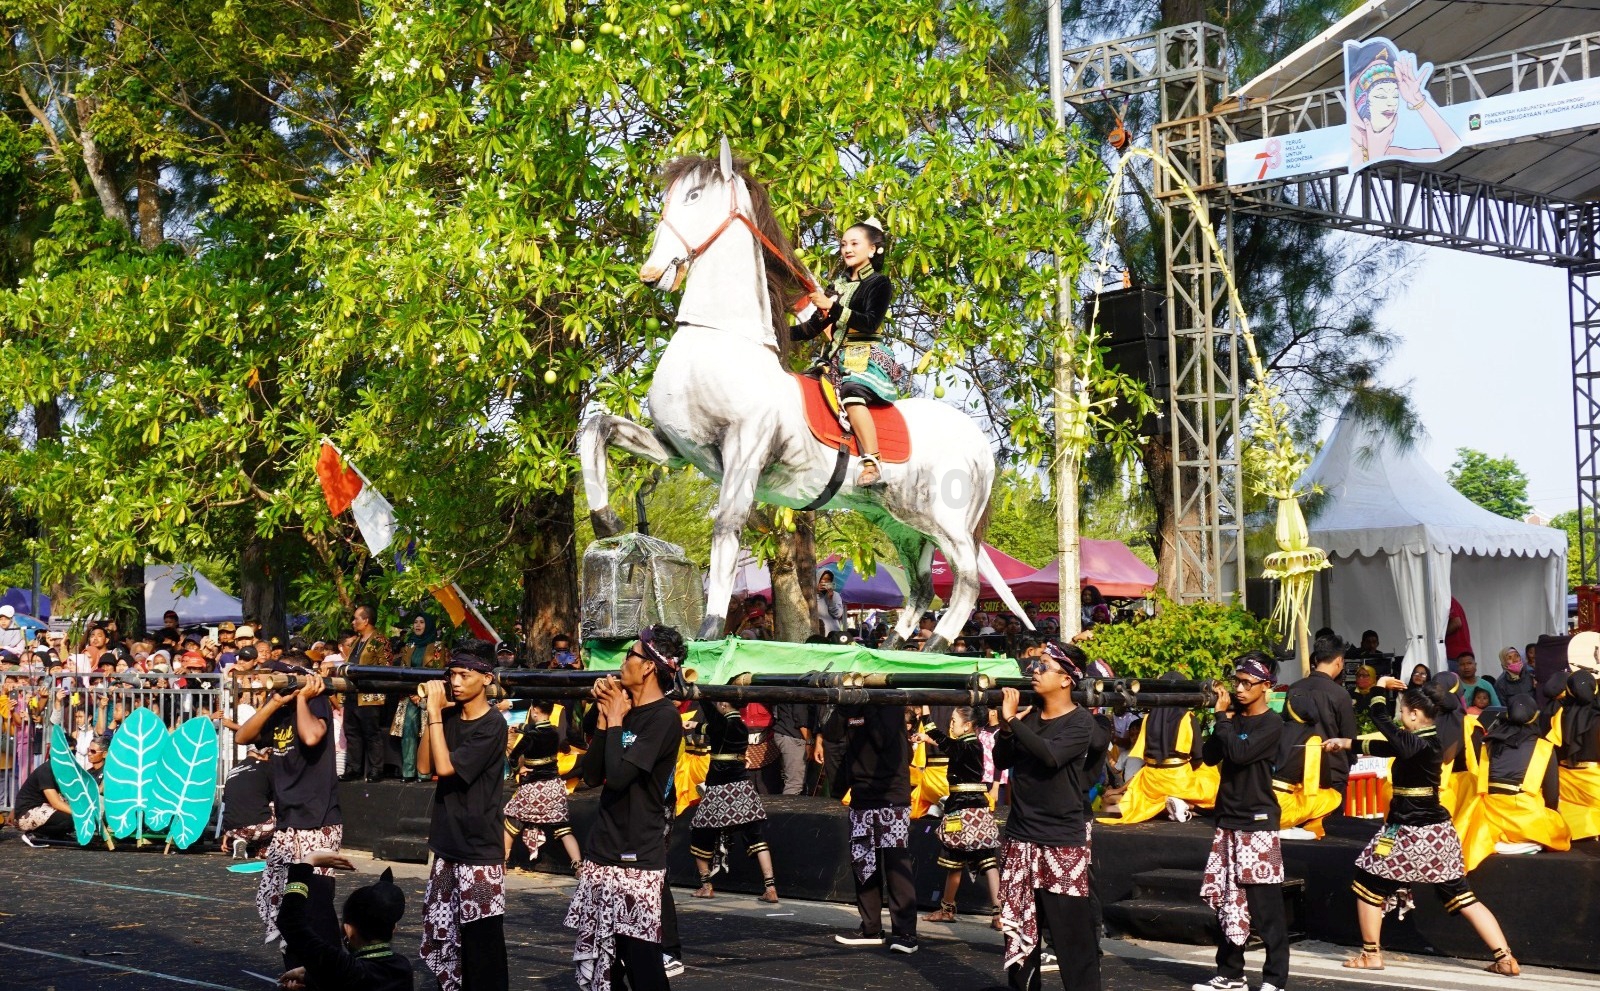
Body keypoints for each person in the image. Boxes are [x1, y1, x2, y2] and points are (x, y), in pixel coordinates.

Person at [1325, 679, 1519, 976]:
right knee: (1462, 895)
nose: (1400, 717)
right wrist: (1346, 743)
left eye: (1402, 712)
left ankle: (1370, 954)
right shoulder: (1428, 741)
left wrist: (1378, 688)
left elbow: (1380, 720)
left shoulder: (1414, 742)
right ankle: (1505, 958)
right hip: (1439, 834)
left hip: (1407, 833)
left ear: (1415, 713)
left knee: (1367, 884)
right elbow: (1386, 745)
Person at [564, 625, 685, 991]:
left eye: (630, 655)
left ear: (648, 666)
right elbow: (595, 774)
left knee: (642, 962)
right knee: (604, 963)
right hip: (602, 850)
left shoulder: (664, 717)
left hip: (638, 857)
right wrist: (604, 718)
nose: (622, 663)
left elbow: (620, 777)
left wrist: (616, 720)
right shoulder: (623, 711)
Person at [994, 641, 1099, 991]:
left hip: (1060, 842)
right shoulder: (1029, 718)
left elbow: (1051, 757)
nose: (1035, 672)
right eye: (1035, 665)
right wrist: (1008, 728)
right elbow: (1002, 760)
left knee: (1073, 941)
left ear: (1067, 679)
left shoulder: (1081, 722)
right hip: (1020, 837)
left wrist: (1012, 720)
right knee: (1021, 936)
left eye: (1043, 666)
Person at [236, 655, 343, 965]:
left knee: (315, 902)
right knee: (288, 903)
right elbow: (243, 736)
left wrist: (302, 698)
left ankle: (327, 970)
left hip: (316, 820)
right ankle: (296, 965)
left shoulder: (317, 702)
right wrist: (273, 702)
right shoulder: (278, 711)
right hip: (288, 820)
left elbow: (311, 736)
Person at [416, 640, 510, 991]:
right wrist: (432, 714)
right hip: (447, 846)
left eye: (463, 675)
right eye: (451, 674)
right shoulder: (448, 718)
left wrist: (436, 714)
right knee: (450, 945)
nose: (455, 682)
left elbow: (445, 766)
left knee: (483, 949)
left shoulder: (493, 724)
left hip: (479, 852)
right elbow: (425, 765)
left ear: (486, 679)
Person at [1193, 656, 1287, 991]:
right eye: (1237, 682)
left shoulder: (1272, 724)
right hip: (1228, 821)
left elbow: (1241, 754)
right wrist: (1219, 719)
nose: (1240, 689)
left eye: (1248, 683)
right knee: (1228, 902)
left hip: (1258, 823)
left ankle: (1275, 979)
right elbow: (1210, 755)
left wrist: (1223, 718)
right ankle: (1231, 973)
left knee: (1265, 907)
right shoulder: (1233, 721)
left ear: (1266, 686)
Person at [791, 217, 902, 487]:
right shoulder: (837, 286)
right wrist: (775, 333)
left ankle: (872, 462)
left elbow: (870, 321)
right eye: (843, 244)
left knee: (852, 393)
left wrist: (834, 306)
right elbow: (812, 328)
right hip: (831, 358)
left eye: (854, 243)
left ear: (874, 249)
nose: (847, 249)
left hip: (864, 356)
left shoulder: (879, 284)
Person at [829, 688, 919, 955]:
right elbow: (833, 734)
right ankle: (871, 928)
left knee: (895, 866)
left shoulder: (889, 704)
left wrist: (865, 704)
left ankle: (905, 933)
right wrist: (843, 705)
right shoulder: (852, 709)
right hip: (861, 795)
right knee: (863, 863)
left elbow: (882, 740)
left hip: (891, 797)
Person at [1457, 695, 1570, 870]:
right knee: (1560, 830)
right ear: (1534, 716)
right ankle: (1526, 840)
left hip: (1490, 815)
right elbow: (1552, 795)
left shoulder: (1489, 743)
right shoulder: (1543, 747)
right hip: (1525, 818)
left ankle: (1501, 839)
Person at [275, 851, 413, 991]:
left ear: (348, 930)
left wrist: (308, 861)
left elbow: (290, 921)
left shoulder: (345, 969)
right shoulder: (403, 967)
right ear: (394, 927)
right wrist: (312, 977)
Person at [916, 705, 1001, 930]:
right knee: (987, 859)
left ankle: (947, 909)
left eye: (954, 720)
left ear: (968, 725)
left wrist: (925, 714)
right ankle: (998, 913)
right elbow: (944, 742)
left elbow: (941, 739)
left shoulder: (966, 745)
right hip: (978, 810)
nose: (951, 724)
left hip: (960, 811)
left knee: (955, 859)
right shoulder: (973, 745)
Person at [1097, 671, 1218, 825]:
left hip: (1151, 783)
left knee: (1139, 791)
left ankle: (1163, 804)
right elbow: (1198, 758)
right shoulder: (1188, 718)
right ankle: (1186, 805)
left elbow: (1145, 758)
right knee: (1212, 783)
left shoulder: (1147, 718)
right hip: (1178, 781)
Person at [689, 698, 779, 902]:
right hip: (743, 788)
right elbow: (710, 728)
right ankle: (771, 887)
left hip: (719, 790)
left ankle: (706, 885)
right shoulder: (742, 726)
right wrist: (695, 725)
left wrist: (701, 695)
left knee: (700, 833)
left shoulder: (723, 724)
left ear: (722, 705)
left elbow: (712, 722)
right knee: (756, 836)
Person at [503, 698, 580, 869]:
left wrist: (518, 770)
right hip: (553, 786)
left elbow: (514, 756)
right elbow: (536, 728)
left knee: (512, 822)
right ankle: (578, 865)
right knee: (563, 828)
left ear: (534, 710)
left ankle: (503, 859)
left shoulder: (530, 736)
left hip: (533, 787)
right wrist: (520, 727)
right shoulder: (554, 732)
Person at [1287, 635, 1359, 805]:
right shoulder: (1340, 694)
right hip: (1332, 772)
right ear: (1339, 661)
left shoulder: (1294, 688)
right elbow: (1349, 738)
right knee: (1332, 827)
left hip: (1298, 770)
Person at [1272, 683, 1343, 841]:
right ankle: (1296, 827)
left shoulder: (1273, 728)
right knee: (1332, 796)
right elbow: (1322, 782)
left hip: (1251, 801)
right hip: (1280, 808)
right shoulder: (1312, 740)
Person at [344, 604, 393, 782]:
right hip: (352, 692)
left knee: (371, 733)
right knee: (351, 731)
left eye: (356, 618)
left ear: (366, 621)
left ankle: (375, 770)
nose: (353, 622)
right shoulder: (357, 641)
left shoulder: (380, 640)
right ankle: (353, 768)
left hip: (370, 693)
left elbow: (387, 667)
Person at [1552, 671, 1600, 841]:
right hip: (1594, 787)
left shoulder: (1557, 716)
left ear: (1569, 690)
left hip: (1564, 785)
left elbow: (1552, 750)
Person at [398, 613, 445, 782]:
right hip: (410, 694)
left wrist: (423, 693)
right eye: (415, 622)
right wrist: (413, 693)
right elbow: (403, 670)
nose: (417, 625)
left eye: (422, 622)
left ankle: (424, 772)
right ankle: (408, 772)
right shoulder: (408, 645)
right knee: (408, 730)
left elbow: (439, 673)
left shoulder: (438, 646)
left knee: (428, 731)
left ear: (429, 625)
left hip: (430, 694)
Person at [220, 748, 277, 858]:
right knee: (278, 805)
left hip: (233, 830)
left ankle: (240, 841)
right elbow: (279, 794)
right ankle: (267, 850)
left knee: (256, 806)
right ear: (264, 754)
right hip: (259, 828)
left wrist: (227, 832)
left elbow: (227, 801)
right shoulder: (267, 767)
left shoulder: (233, 770)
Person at [1445, 598, 1473, 670]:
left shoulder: (1447, 599)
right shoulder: (1449, 600)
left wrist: (1440, 636)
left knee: (1453, 680)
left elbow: (1456, 623)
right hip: (1459, 653)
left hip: (1455, 654)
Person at [816, 570, 847, 635]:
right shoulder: (811, 595)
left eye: (828, 579)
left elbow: (838, 614)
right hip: (817, 633)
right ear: (818, 579)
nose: (825, 581)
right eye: (823, 579)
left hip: (833, 633)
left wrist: (831, 599)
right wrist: (816, 592)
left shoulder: (835, 595)